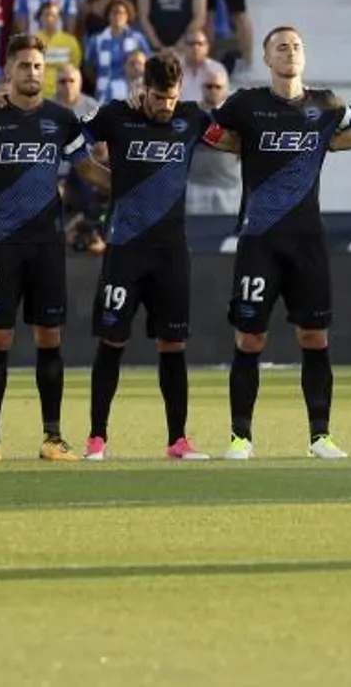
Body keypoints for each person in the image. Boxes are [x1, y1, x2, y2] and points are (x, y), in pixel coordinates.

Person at [211, 27, 351, 461]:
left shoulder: (327, 104)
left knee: (314, 336)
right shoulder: (247, 103)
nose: (291, 52)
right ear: (266, 58)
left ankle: (321, 436)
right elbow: (204, 131)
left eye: (297, 46)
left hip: (308, 241)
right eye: (281, 46)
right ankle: (241, 436)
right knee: (250, 339)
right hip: (259, 239)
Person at [0, 36, 113, 462]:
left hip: (47, 244)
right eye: (24, 65)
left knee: (49, 337)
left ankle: (52, 436)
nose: (32, 73)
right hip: (2, 244)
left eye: (38, 66)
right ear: (8, 71)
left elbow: (86, 169)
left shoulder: (61, 119)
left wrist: (131, 187)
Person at [82, 51, 224, 461]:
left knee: (173, 344)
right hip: (125, 249)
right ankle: (97, 438)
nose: (166, 106)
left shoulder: (193, 118)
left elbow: (234, 138)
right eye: (159, 97)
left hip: (171, 253)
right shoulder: (115, 115)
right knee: (112, 340)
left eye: (172, 98)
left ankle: (178, 439)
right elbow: (73, 141)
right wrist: (111, 180)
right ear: (143, 90)